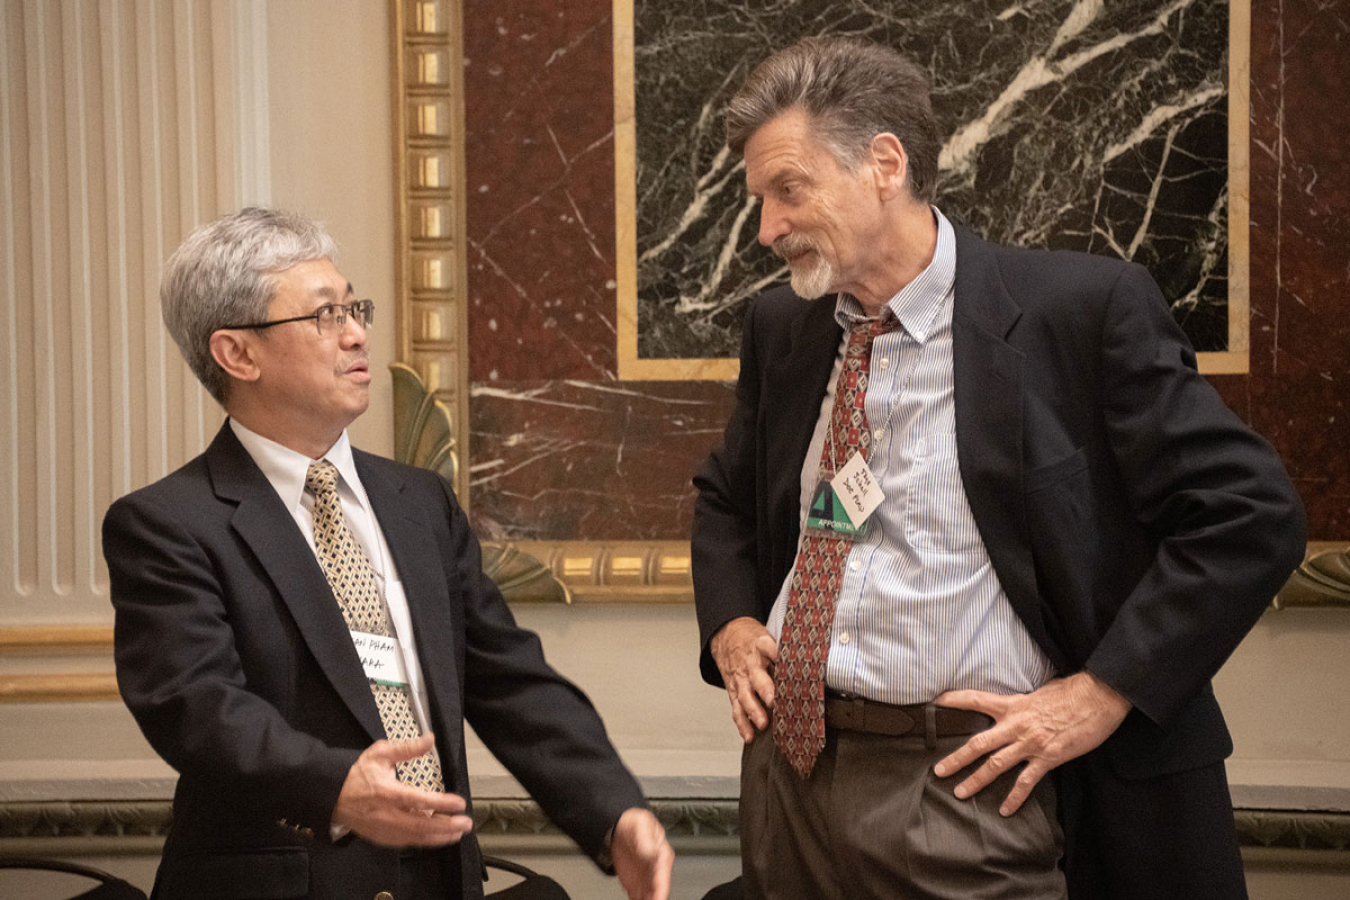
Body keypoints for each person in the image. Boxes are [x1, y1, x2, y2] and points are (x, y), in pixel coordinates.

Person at [691, 36, 1306, 900]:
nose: (766, 229)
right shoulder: (783, 331)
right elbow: (723, 495)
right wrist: (730, 623)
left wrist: (1104, 691)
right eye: (760, 201)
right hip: (791, 775)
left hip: (969, 787)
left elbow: (1252, 514)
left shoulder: (1080, 313)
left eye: (787, 191)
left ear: (884, 164)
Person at [103, 207, 673, 900]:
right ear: (237, 354)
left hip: (439, 877)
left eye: (354, 307)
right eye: (323, 316)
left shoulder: (417, 501)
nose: (356, 333)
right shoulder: (168, 524)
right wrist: (336, 787)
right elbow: (195, 706)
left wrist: (613, 808)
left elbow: (507, 678)